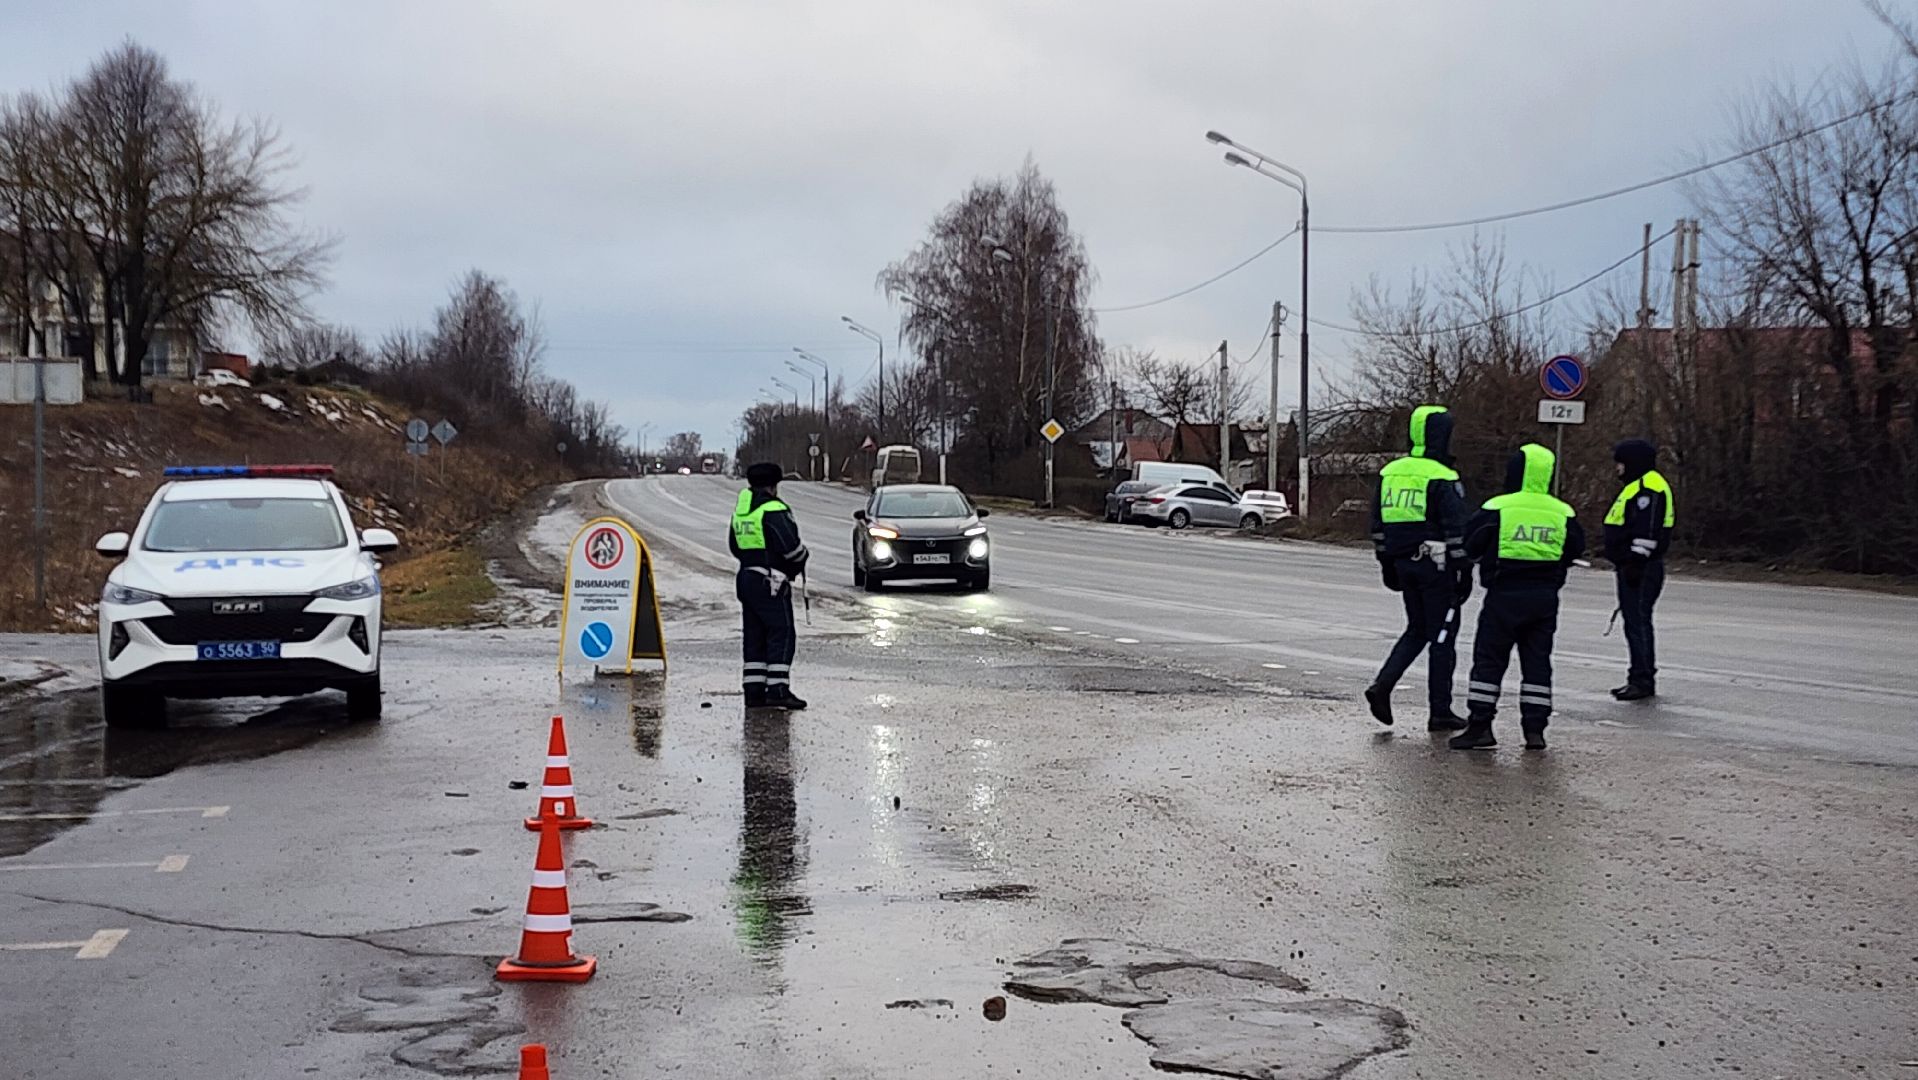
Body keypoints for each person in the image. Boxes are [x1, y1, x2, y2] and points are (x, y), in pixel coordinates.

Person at [1451, 443, 1584, 751]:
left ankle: (1481, 726)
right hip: (1545, 599)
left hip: (1503, 596)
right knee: (1537, 663)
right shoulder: (1562, 511)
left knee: (1489, 662)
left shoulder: (1499, 507)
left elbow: (1471, 543)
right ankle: (1535, 730)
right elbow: (1576, 548)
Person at [1364, 405, 1471, 730]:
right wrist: (1464, 569)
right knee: (1442, 636)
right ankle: (1440, 711)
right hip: (1436, 566)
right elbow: (1455, 528)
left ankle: (1383, 686)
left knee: (1416, 630)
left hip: (1402, 562)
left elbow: (1377, 524)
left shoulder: (1390, 472)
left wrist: (1386, 562)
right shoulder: (1441, 476)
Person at [729, 463, 810, 709]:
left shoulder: (742, 511)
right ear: (774, 486)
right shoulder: (774, 509)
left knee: (754, 635)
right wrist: (802, 558)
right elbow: (791, 548)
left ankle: (754, 691)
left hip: (746, 577)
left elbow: (734, 546)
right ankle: (777, 689)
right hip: (771, 581)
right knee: (781, 632)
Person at [1604, 439, 1674, 701]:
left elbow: (1647, 529)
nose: (1617, 469)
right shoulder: (1637, 487)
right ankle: (1638, 676)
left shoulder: (1648, 489)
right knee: (1636, 621)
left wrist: (1635, 559)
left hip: (1641, 567)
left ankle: (1642, 680)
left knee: (1638, 623)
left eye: (1620, 463)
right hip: (1635, 565)